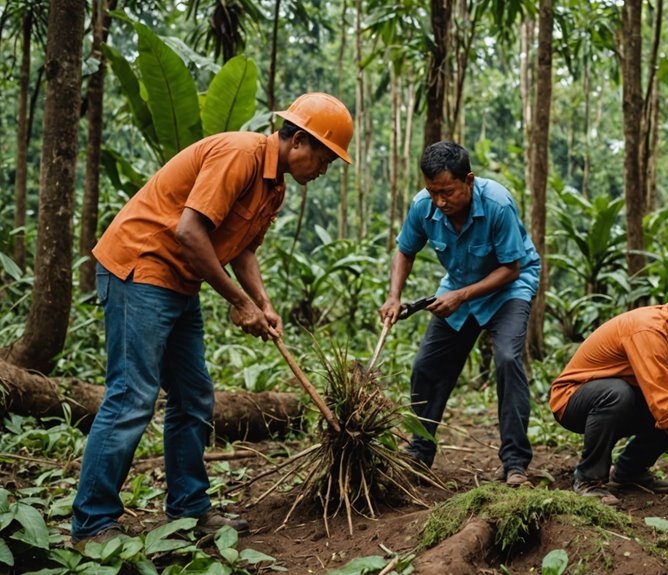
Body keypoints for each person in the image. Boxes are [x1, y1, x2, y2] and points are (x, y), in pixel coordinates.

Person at [71, 93, 354, 546]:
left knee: (194, 396)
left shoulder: (274, 186)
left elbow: (241, 248)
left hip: (180, 281)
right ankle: (92, 524)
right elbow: (189, 231)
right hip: (140, 269)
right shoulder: (239, 154)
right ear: (299, 141)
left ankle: (188, 510)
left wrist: (261, 301)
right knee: (132, 397)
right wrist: (238, 304)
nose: (323, 171)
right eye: (324, 159)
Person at [379, 141, 540, 487]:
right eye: (432, 191)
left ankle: (515, 464)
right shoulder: (423, 207)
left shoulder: (497, 204)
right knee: (426, 366)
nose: (440, 201)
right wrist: (394, 297)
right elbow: (405, 251)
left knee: (509, 359)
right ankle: (420, 453)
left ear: (469, 180)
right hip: (458, 287)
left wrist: (460, 296)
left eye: (447, 192)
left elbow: (512, 268)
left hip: (508, 288)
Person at [550, 274, 668, 505]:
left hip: (626, 401)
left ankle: (630, 472)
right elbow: (662, 407)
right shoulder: (649, 331)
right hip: (573, 401)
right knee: (619, 395)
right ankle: (589, 479)